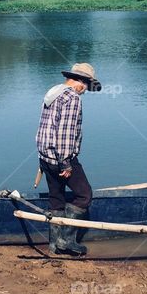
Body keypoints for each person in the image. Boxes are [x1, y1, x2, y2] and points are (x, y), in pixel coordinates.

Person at [35, 62, 101, 256]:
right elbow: (65, 132)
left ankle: (54, 245)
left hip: (45, 156)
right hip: (62, 158)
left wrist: (46, 157)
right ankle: (67, 241)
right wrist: (66, 163)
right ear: (80, 81)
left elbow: (47, 127)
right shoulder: (72, 98)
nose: (86, 90)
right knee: (84, 195)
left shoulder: (53, 93)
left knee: (56, 200)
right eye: (87, 85)